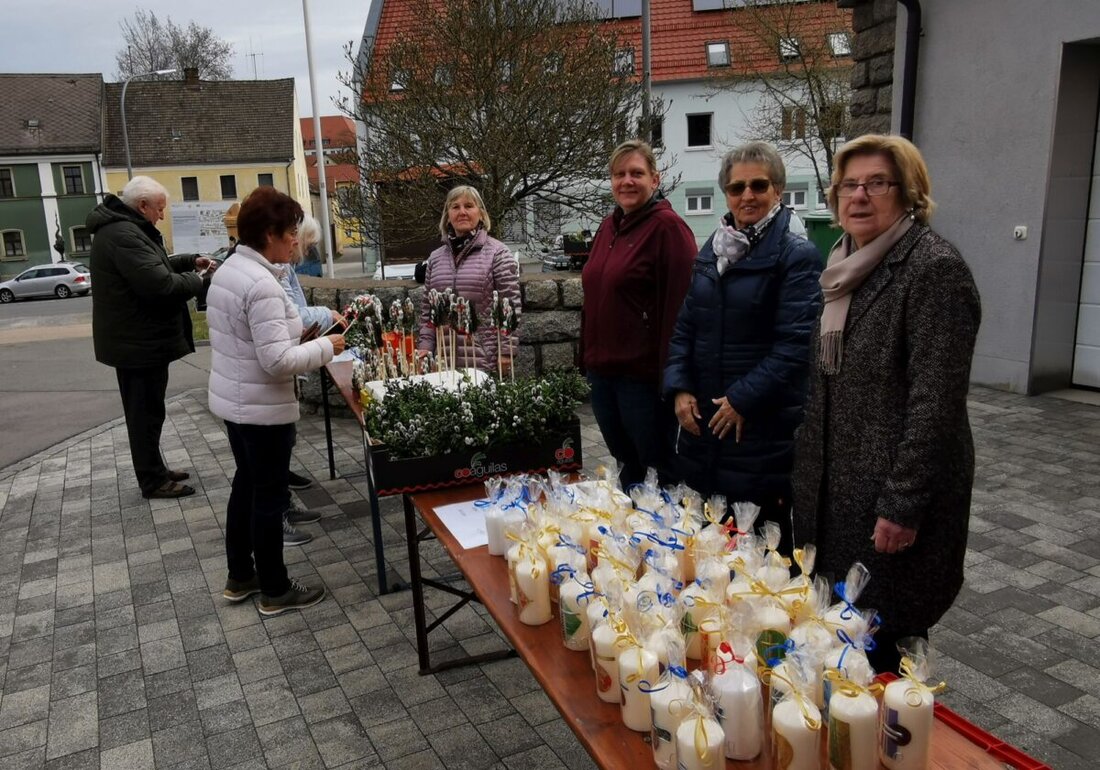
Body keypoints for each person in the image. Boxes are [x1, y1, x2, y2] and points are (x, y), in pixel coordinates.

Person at [791, 134, 981, 673]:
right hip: (838, 493)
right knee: (842, 638)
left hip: (889, 502)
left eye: (877, 183)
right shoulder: (842, 268)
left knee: (886, 643)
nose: (859, 196)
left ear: (909, 193)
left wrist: (902, 505)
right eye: (849, 184)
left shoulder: (932, 269)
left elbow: (936, 403)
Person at [664, 142, 822, 552]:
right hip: (706, 424)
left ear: (778, 191)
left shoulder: (795, 254)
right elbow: (685, 328)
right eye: (736, 188)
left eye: (758, 185)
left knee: (761, 551)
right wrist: (679, 387)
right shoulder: (712, 250)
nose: (746, 196)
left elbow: (795, 345)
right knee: (709, 546)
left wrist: (741, 400)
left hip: (757, 429)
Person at [206, 186, 345, 616]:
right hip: (261, 408)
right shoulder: (263, 284)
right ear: (268, 233)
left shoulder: (231, 270)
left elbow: (250, 342)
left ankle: (240, 576)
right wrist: (329, 347)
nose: (294, 241)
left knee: (245, 488)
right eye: (289, 233)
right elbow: (277, 362)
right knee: (267, 498)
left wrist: (296, 337)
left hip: (237, 402)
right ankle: (275, 588)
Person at [581, 139, 697, 489]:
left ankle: (661, 539)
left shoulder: (669, 229)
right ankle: (631, 539)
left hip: (642, 380)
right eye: (619, 174)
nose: (627, 181)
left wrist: (675, 382)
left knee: (655, 471)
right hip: (603, 374)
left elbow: (681, 311)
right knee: (625, 466)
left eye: (636, 173)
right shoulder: (608, 227)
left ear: (655, 180)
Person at [87, 175, 213, 499]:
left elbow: (152, 266)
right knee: (144, 414)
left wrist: (186, 261)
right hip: (137, 344)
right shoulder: (122, 234)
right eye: (159, 209)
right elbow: (159, 286)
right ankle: (152, 480)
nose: (161, 215)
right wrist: (197, 279)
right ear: (142, 205)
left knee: (149, 411)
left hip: (139, 340)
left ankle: (155, 469)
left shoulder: (125, 230)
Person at [416, 185, 521, 372]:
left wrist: (506, 351)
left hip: (484, 360)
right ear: (448, 215)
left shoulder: (498, 254)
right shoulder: (436, 258)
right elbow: (428, 311)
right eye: (455, 207)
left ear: (481, 213)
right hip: (444, 363)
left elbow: (509, 307)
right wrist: (425, 346)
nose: (462, 212)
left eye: (469, 206)